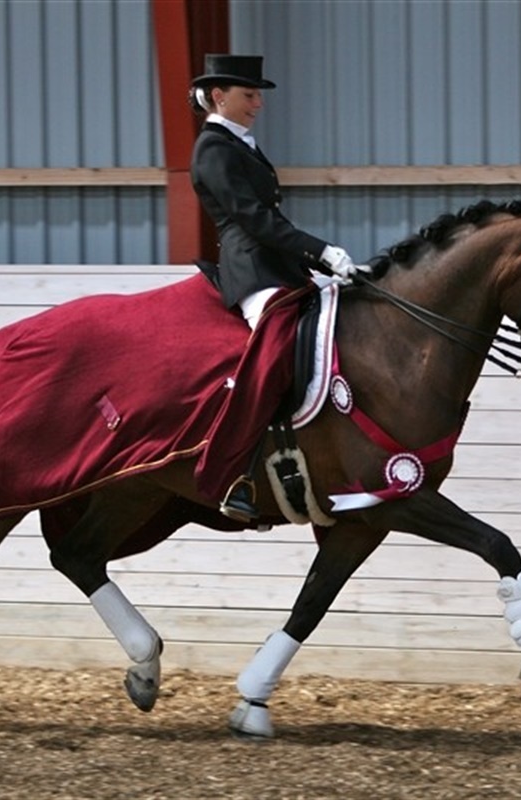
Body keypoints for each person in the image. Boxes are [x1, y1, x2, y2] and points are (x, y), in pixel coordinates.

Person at [188, 53, 368, 519]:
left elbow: (272, 221)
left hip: (280, 266)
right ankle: (235, 473)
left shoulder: (240, 144)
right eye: (249, 95)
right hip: (253, 271)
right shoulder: (213, 149)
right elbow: (254, 220)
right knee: (273, 357)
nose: (258, 104)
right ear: (219, 96)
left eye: (257, 96)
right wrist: (320, 250)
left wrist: (319, 264)